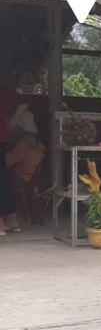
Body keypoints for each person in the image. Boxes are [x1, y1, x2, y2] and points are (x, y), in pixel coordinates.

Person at [0, 82, 29, 234]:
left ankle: (1, 225)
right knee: (3, 180)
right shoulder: (4, 92)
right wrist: (13, 122)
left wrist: (13, 121)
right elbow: (23, 101)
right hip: (3, 140)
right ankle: (12, 220)